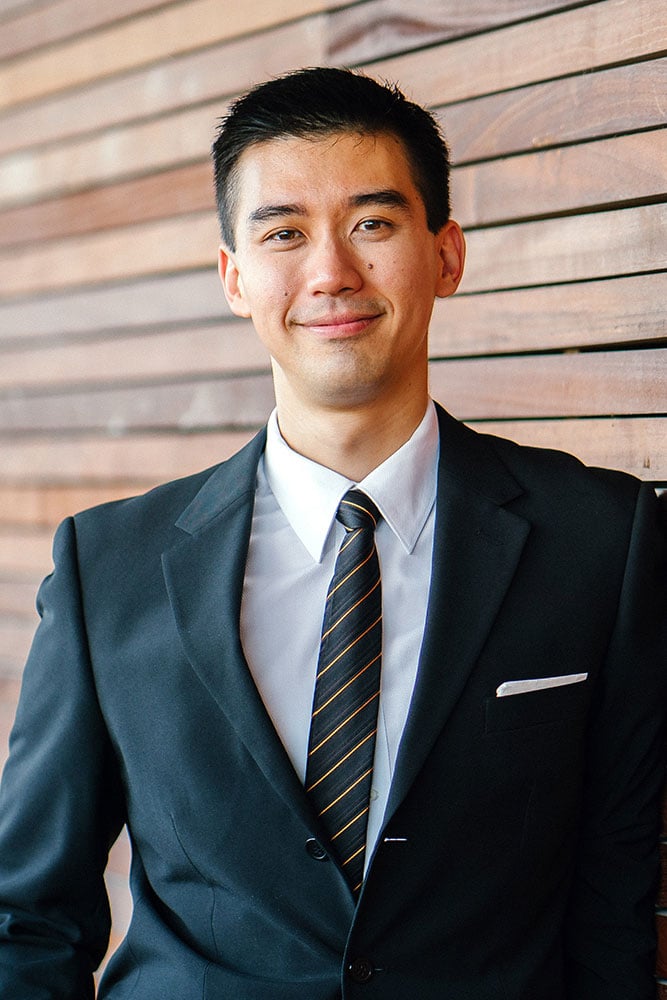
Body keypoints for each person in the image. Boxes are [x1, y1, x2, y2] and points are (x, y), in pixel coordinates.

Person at [0, 67, 665, 999]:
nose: (330, 274)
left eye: (372, 224)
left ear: (446, 254)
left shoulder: (602, 539)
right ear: (234, 277)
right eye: (283, 234)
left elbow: (615, 903)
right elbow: (27, 917)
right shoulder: (107, 567)